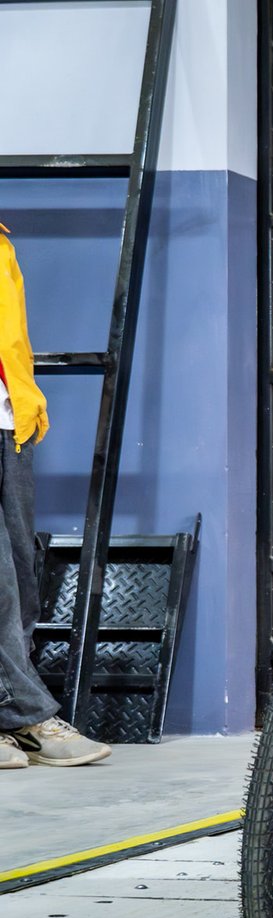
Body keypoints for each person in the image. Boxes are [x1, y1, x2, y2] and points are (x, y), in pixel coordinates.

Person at [0, 221, 112, 769]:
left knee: (22, 580)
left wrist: (24, 400)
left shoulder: (0, 244)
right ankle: (27, 714)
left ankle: (10, 721)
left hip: (9, 426)